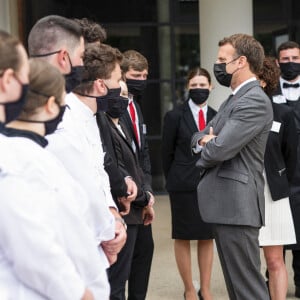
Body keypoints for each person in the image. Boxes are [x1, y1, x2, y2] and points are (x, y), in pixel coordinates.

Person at [0, 31, 95, 300]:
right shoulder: (15, 158)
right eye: (23, 78)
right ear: (8, 81)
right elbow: (33, 249)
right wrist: (79, 292)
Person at [27, 15, 127, 259]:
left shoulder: (76, 110)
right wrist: (109, 230)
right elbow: (79, 182)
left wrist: (111, 214)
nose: (87, 66)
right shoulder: (51, 112)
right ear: (64, 58)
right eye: (83, 57)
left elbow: (96, 168)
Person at [191, 33, 273, 300]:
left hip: (237, 208)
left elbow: (220, 148)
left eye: (222, 60)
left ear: (241, 62)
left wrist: (208, 143)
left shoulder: (253, 100)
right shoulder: (234, 98)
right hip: (227, 207)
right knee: (238, 290)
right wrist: (205, 140)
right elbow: (199, 137)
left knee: (248, 290)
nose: (217, 66)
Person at [162, 67, 216, 300]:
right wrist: (173, 178)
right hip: (182, 185)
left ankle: (205, 288)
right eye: (194, 86)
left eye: (203, 85)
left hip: (210, 185)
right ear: (187, 88)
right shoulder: (174, 116)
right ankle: (189, 289)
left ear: (211, 87)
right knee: (183, 235)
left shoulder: (218, 115)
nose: (198, 90)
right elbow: (166, 154)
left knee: (207, 236)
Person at [75, 16, 138, 216]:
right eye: (92, 54)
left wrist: (124, 183)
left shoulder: (98, 107)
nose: (98, 58)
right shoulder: (66, 112)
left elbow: (106, 156)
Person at [104, 79, 155, 299]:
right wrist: (144, 198)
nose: (124, 99)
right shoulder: (104, 126)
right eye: (119, 93)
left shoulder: (122, 126)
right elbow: (117, 169)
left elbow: (137, 164)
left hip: (137, 210)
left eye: (127, 95)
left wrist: (146, 195)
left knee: (138, 265)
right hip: (124, 210)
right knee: (117, 282)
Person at [258, 56, 297, 300]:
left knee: (275, 259)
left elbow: (290, 157)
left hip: (273, 194)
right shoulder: (233, 108)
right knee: (248, 262)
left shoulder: (283, 114)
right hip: (242, 192)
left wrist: (279, 181)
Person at [121, 50, 155, 300]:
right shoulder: (112, 109)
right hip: (125, 199)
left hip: (142, 196)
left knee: (145, 252)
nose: (140, 80)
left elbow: (143, 154)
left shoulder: (136, 106)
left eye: (144, 76)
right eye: (135, 75)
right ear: (122, 75)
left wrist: (149, 193)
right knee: (124, 262)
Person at [272, 41, 300, 298]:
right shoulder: (269, 92)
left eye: (295, 57)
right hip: (277, 174)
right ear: (278, 61)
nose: (290, 62)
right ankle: (274, 283)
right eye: (286, 58)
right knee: (275, 233)